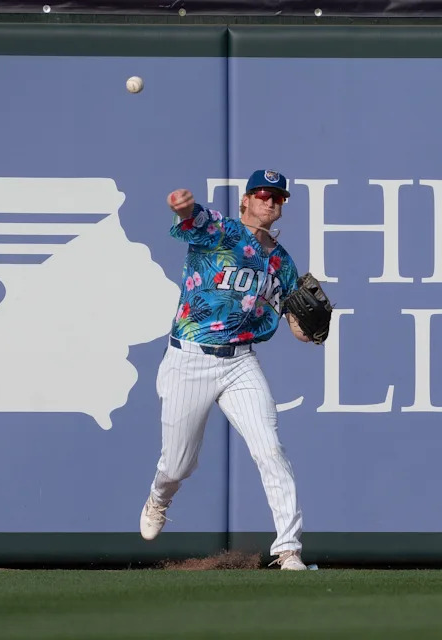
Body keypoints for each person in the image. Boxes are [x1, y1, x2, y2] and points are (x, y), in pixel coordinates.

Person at [140, 169, 310, 571]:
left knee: (270, 449)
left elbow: (298, 327)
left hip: (241, 363)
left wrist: (313, 329)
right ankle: (159, 497)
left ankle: (288, 550)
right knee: (178, 465)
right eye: (263, 194)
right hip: (189, 358)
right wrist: (183, 208)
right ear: (245, 201)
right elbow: (191, 219)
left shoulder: (282, 262)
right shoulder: (220, 230)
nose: (270, 201)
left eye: (278, 197)